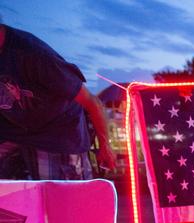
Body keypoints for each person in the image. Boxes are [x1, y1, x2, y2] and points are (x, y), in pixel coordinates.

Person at [0, 23, 115, 180]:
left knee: (62, 196)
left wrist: (105, 146)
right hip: (15, 129)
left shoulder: (33, 53)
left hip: (58, 132)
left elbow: (92, 102)